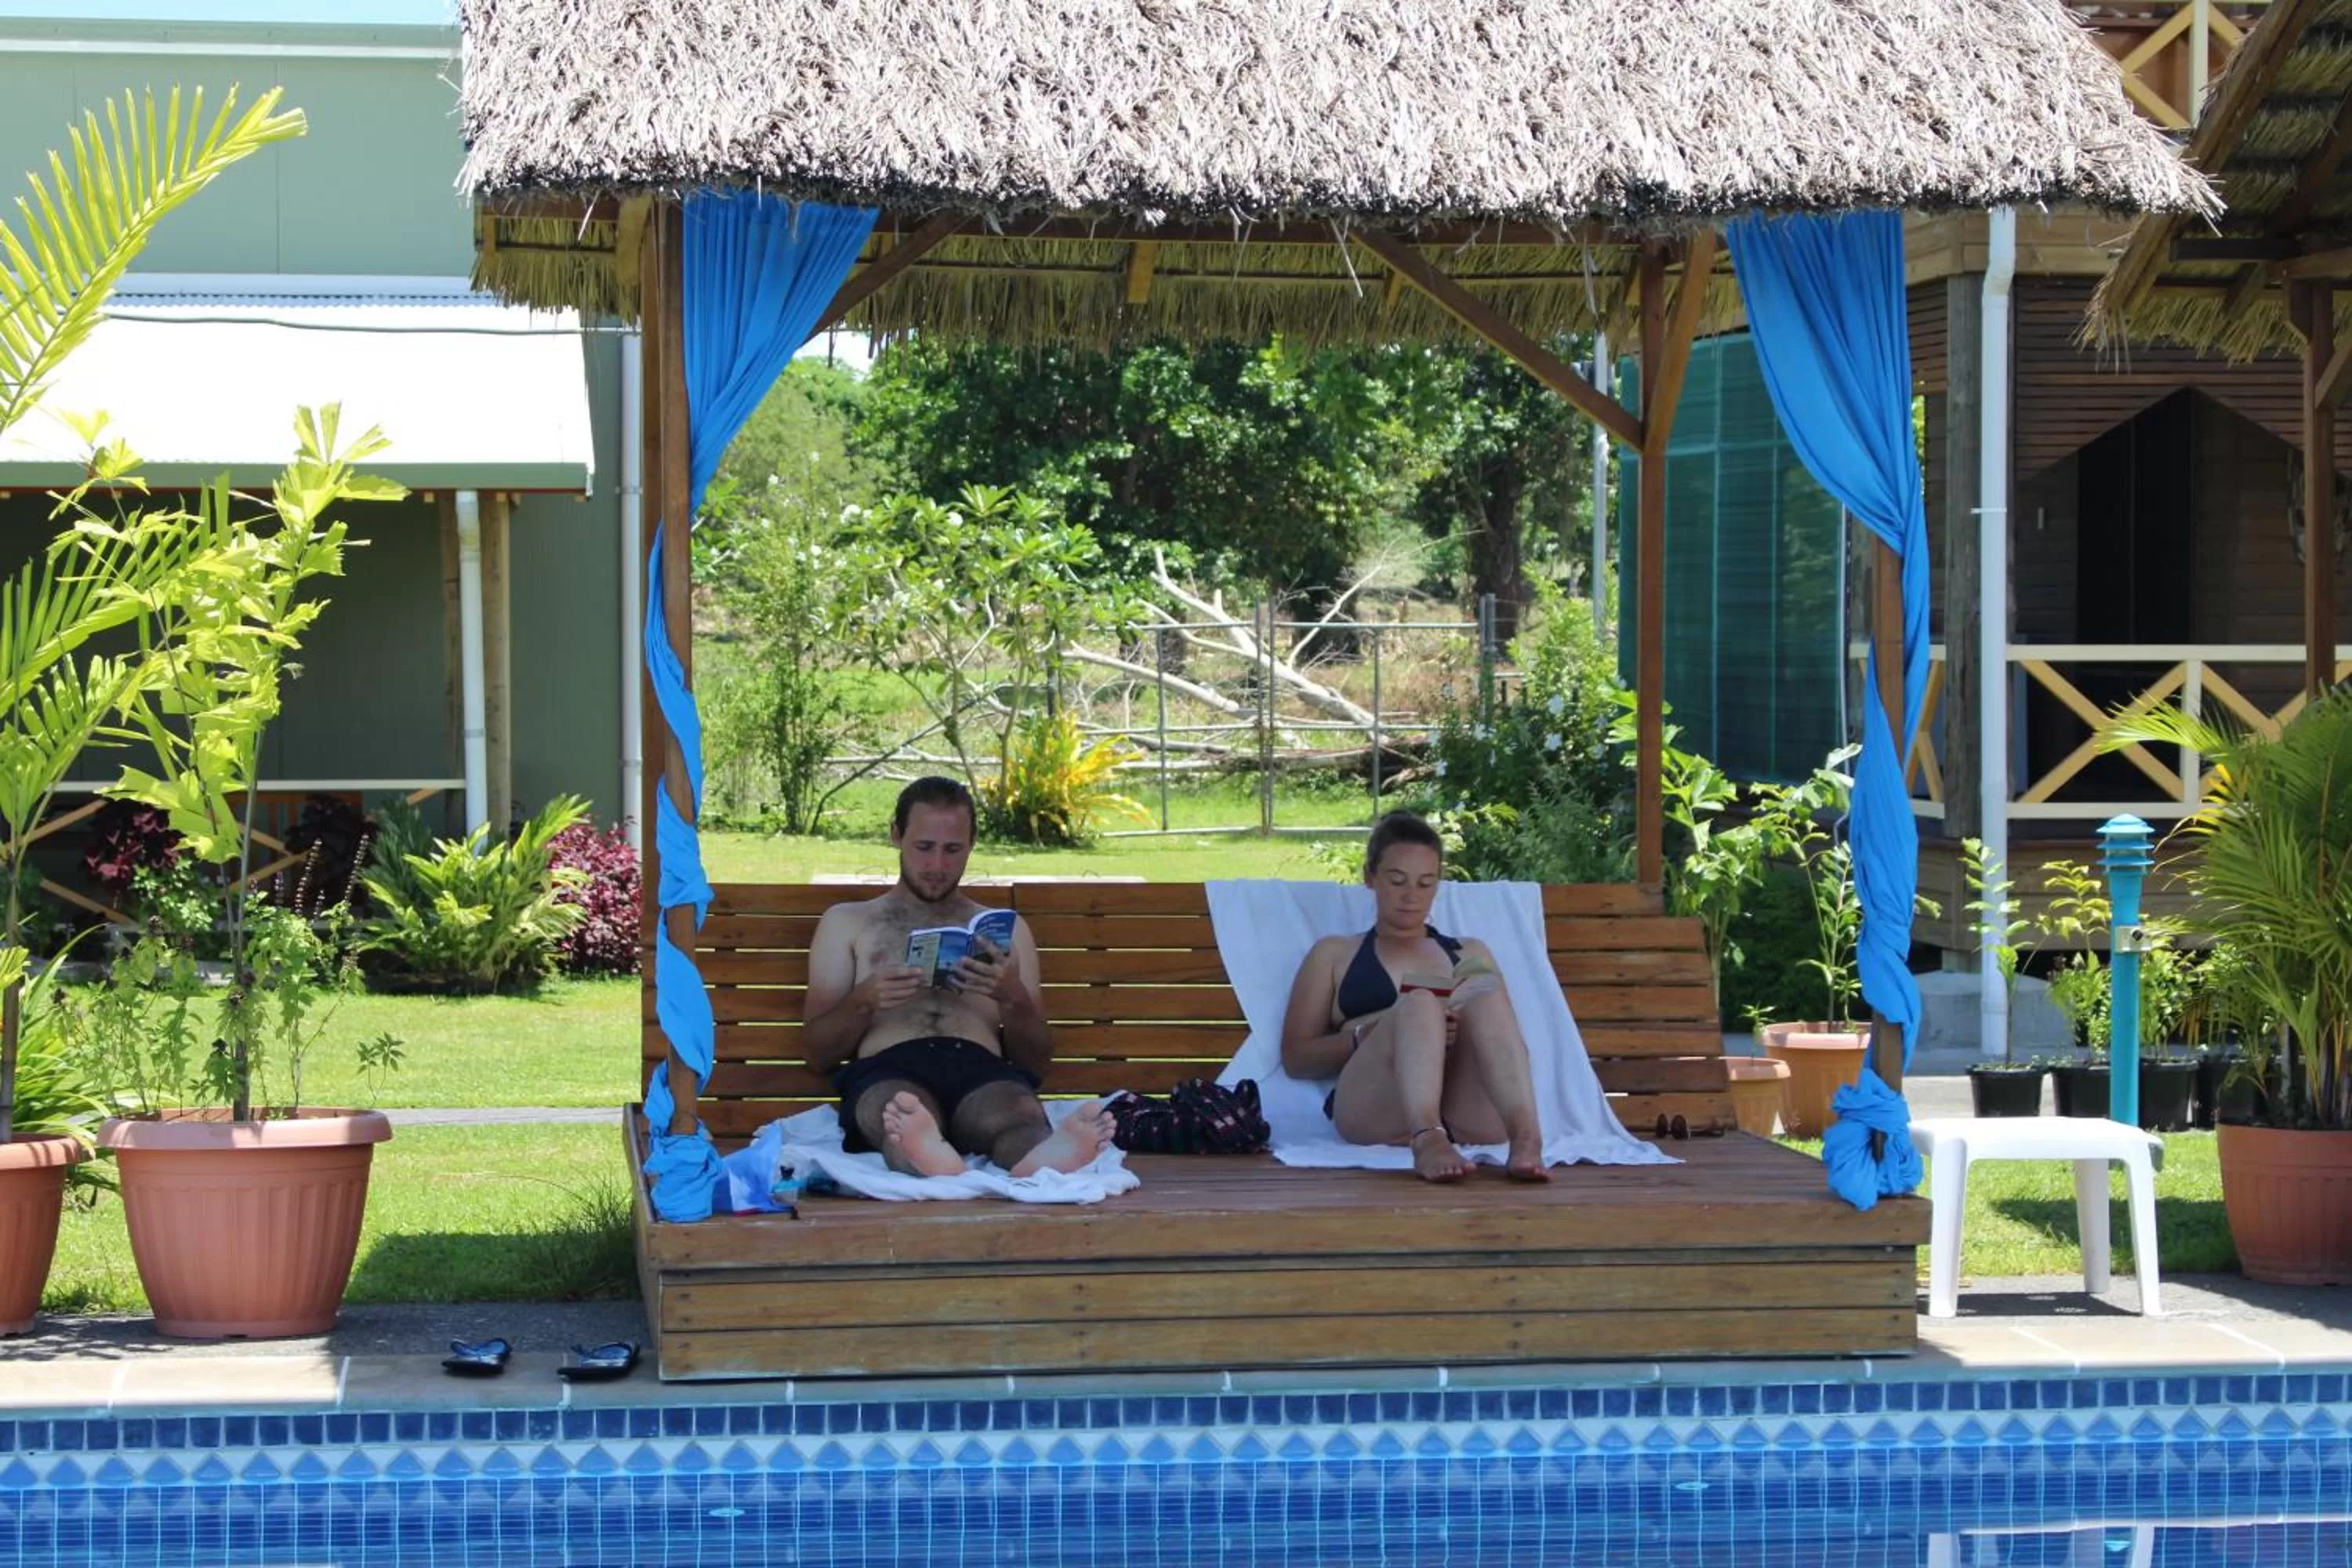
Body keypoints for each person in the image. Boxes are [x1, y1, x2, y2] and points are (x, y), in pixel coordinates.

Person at [801, 777, 1112, 1178]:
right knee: (897, 1111)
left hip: (979, 1067)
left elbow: (1036, 1062)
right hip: (889, 1067)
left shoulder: (1007, 931)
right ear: (896, 836)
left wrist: (1012, 997)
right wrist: (865, 1001)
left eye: (953, 850)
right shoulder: (850, 923)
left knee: (1017, 1114)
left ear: (972, 843)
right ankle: (922, 1151)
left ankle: (1042, 1160)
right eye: (924, 848)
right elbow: (815, 1054)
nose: (937, 867)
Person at [1278, 810, 1550, 1184]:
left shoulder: (1468, 952)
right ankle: (1427, 1136)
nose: (1411, 896)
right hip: (1378, 1107)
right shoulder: (1335, 954)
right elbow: (1295, 1058)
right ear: (1370, 877)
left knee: (1484, 997)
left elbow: (1504, 1041)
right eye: (1397, 881)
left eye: (1426, 883)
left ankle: (1527, 1136)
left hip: (1466, 1107)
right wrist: (1367, 1034)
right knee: (1420, 1002)